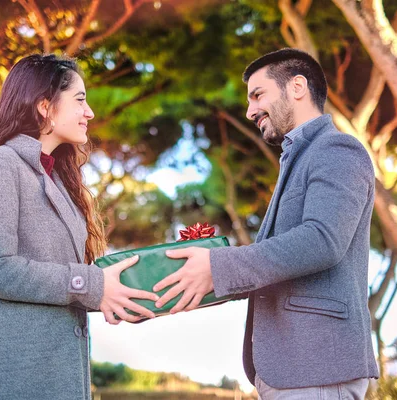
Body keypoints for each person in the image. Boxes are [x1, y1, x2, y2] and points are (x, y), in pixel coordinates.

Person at [154, 48, 379, 399]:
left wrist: (218, 266)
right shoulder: (298, 159)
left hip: (316, 370)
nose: (250, 111)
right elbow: (279, 262)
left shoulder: (337, 149)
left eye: (258, 95)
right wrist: (205, 275)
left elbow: (322, 241)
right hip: (289, 373)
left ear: (297, 87)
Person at [0, 54, 159, 400]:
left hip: (61, 381)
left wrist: (115, 295)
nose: (89, 112)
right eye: (80, 100)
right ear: (45, 106)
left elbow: (60, 283)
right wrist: (89, 284)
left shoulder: (57, 180)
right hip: (12, 384)